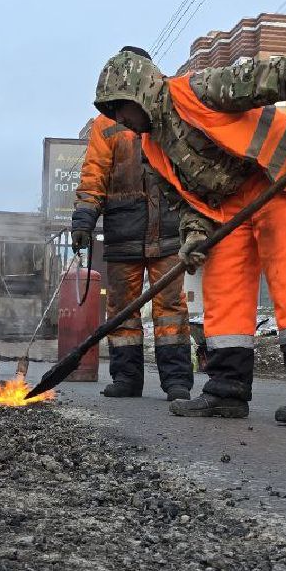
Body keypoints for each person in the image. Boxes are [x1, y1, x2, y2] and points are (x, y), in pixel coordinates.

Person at [91, 50, 286, 423]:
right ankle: (226, 391)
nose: (119, 120)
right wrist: (194, 235)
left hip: (273, 180)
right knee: (223, 294)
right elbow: (184, 200)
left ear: (141, 92)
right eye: (112, 112)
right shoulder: (152, 147)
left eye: (120, 108)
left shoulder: (202, 89)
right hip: (228, 207)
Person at [70, 46, 192, 401]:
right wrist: (83, 221)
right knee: (123, 308)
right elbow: (94, 175)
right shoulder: (106, 123)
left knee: (170, 307)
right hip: (125, 231)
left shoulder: (168, 108)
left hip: (167, 229)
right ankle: (128, 379)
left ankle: (177, 382)